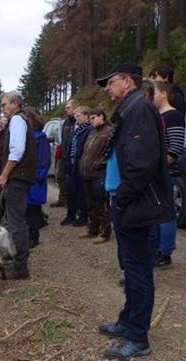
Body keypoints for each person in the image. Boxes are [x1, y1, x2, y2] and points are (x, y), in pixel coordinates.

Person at [97, 63, 174, 359]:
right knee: (130, 267)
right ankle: (129, 320)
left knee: (139, 270)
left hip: (136, 204)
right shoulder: (131, 109)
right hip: (129, 202)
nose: (106, 88)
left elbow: (141, 165)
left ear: (127, 82)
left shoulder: (139, 109)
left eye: (110, 82)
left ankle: (137, 337)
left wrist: (123, 199)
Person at [0, 91, 37, 279]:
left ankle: (21, 266)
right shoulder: (20, 120)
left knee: (16, 221)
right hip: (19, 177)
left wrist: (4, 175)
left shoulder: (17, 121)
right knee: (15, 219)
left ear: (14, 104)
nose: (2, 108)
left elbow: (17, 151)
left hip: (17, 177)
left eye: (4, 104)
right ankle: (17, 260)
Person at [152, 80, 185, 267]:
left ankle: (165, 251)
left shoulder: (174, 116)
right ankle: (156, 248)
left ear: (164, 93)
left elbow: (175, 147)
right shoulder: (155, 115)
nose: (151, 97)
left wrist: (160, 167)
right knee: (155, 212)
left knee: (166, 213)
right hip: (153, 173)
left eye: (154, 93)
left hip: (166, 173)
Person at [79, 108, 113, 244]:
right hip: (87, 173)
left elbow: (110, 153)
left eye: (93, 118)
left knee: (101, 203)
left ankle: (105, 232)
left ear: (101, 117)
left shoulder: (109, 132)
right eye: (90, 118)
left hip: (100, 174)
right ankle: (93, 228)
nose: (91, 121)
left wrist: (100, 163)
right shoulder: (92, 132)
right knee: (90, 203)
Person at [22, 107, 50, 248]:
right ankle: (29, 235)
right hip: (27, 179)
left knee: (33, 209)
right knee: (27, 210)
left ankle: (34, 237)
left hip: (34, 180)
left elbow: (44, 161)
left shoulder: (40, 138)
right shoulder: (28, 137)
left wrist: (38, 176)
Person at [62, 105, 92, 227]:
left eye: (78, 115)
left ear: (86, 116)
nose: (76, 118)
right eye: (75, 115)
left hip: (81, 165)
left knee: (81, 192)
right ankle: (71, 215)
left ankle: (83, 216)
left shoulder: (89, 130)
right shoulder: (77, 130)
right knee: (71, 191)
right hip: (72, 164)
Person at [51, 100, 77, 207]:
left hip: (73, 155)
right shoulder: (65, 122)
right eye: (66, 107)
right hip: (63, 154)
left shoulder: (78, 121)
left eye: (69, 107)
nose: (66, 110)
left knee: (71, 180)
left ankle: (72, 202)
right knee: (60, 177)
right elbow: (62, 138)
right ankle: (62, 199)